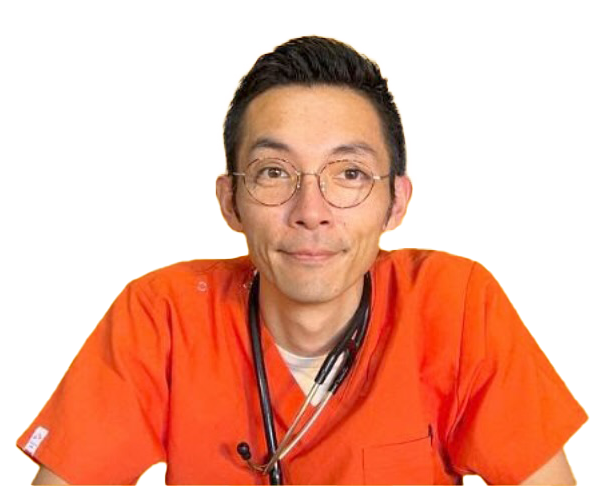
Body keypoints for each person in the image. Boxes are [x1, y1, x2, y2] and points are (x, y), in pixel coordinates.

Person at [17, 35, 587, 485]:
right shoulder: (162, 313)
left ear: (396, 201)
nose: (311, 212)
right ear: (231, 201)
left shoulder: (454, 303)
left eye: (350, 174)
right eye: (273, 172)